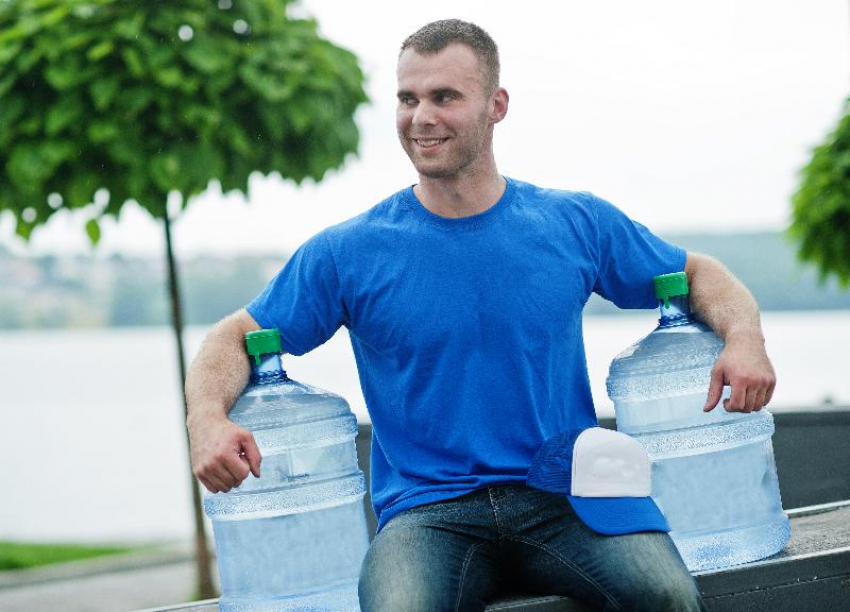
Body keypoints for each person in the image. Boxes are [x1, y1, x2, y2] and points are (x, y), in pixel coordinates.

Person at [186, 19, 776, 612]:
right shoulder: (348, 252)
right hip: (428, 514)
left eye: (444, 96)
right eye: (407, 98)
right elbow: (236, 336)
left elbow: (696, 273)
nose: (421, 117)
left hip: (568, 495)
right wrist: (207, 419)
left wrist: (744, 338)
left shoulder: (573, 223)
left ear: (497, 105)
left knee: (667, 596)